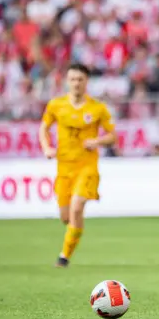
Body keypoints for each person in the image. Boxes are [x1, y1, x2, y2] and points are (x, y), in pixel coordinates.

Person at [38, 63, 117, 268]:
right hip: (64, 168)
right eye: (73, 79)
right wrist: (47, 147)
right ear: (67, 81)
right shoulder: (56, 105)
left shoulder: (97, 108)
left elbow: (113, 136)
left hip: (87, 167)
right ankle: (70, 241)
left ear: (86, 82)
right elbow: (43, 128)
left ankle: (64, 256)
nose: (76, 83)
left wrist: (97, 141)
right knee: (66, 217)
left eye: (80, 79)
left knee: (76, 207)